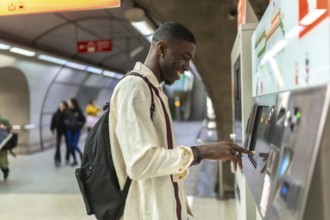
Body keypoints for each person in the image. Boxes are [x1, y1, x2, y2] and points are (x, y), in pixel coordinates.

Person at [109, 21, 254, 219]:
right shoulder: (134, 88)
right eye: (185, 57)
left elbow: (161, 160)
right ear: (161, 48)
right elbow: (140, 163)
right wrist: (203, 151)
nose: (187, 67)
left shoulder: (155, 91)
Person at [65, 98, 86, 167]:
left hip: (76, 131)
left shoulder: (78, 111)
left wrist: (79, 125)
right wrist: (67, 123)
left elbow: (83, 120)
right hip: (69, 131)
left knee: (74, 145)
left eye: (69, 102)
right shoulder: (68, 111)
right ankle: (75, 160)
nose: (68, 104)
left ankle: (80, 153)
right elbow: (65, 119)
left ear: (73, 103)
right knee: (70, 147)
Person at [50, 100, 70, 166]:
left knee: (68, 144)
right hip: (59, 130)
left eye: (63, 106)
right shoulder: (56, 114)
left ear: (65, 107)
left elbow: (70, 121)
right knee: (58, 145)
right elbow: (53, 122)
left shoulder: (67, 113)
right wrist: (52, 128)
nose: (61, 107)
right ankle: (57, 159)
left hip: (66, 130)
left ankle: (67, 158)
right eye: (60, 105)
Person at [0, 115, 12, 180]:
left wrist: (3, 127)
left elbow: (10, 127)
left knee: (2, 161)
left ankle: (5, 170)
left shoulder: (3, 119)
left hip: (2, 142)